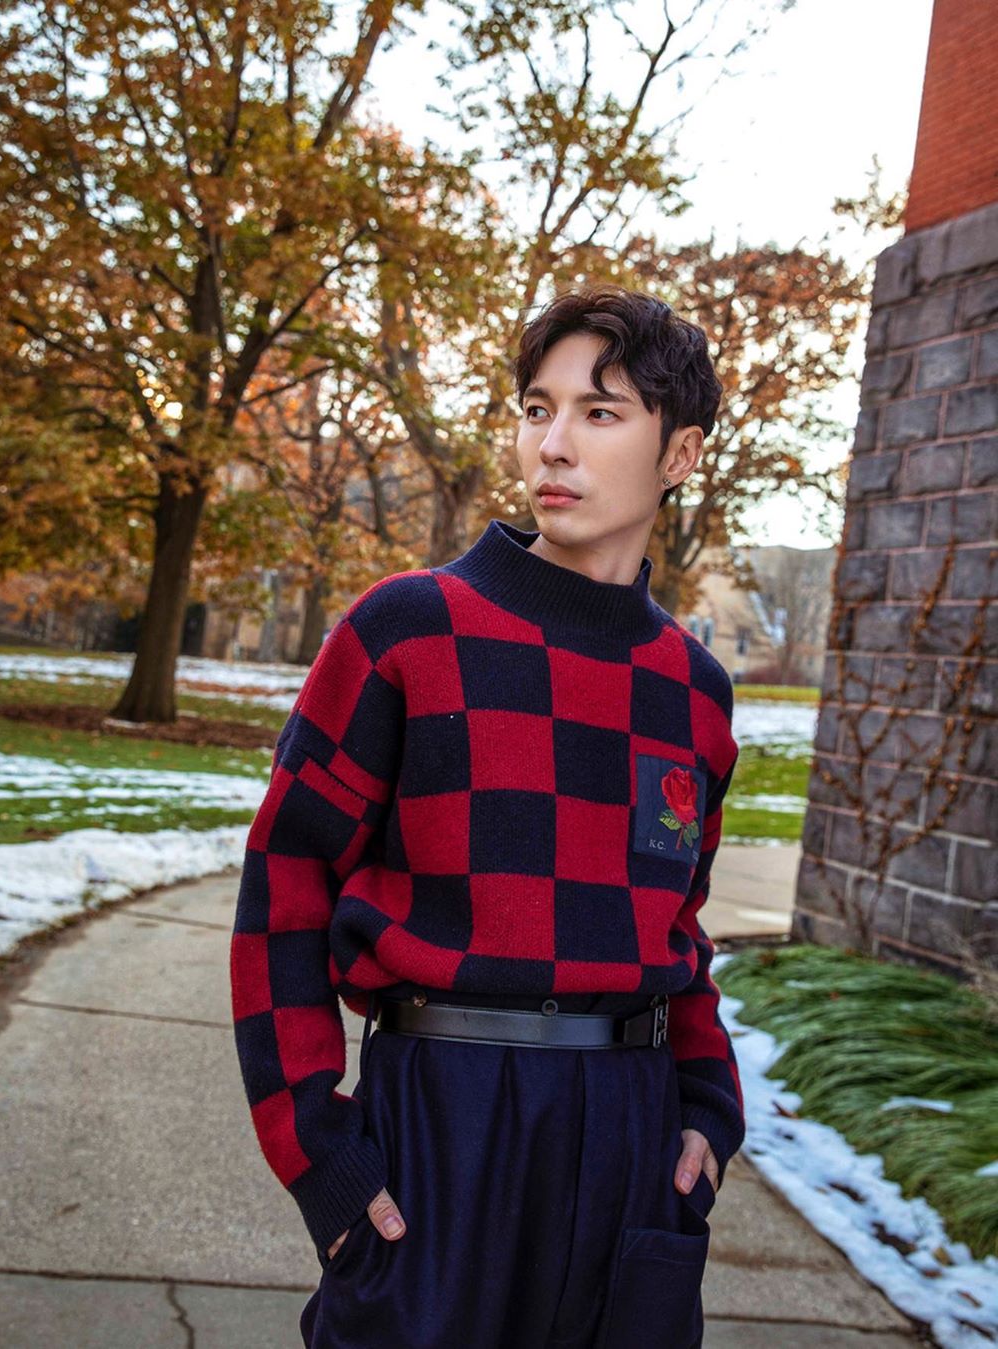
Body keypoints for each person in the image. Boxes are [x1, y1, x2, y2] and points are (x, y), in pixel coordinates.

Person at [229, 283, 745, 1348]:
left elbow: (680, 928)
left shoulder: (695, 690)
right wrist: (317, 1149)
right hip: (446, 1119)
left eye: (600, 412)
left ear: (680, 454)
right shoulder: (408, 631)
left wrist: (706, 1103)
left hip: (633, 1135)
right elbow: (284, 886)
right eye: (536, 408)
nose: (553, 444)